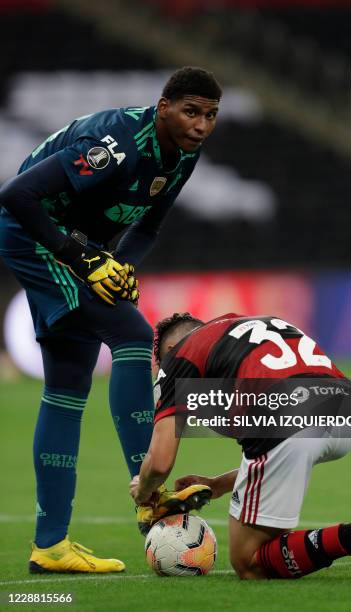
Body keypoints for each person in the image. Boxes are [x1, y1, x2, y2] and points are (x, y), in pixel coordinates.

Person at [0, 67, 221, 573]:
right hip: (35, 236)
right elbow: (15, 197)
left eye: (210, 115)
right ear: (163, 106)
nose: (201, 125)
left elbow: (150, 226)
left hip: (76, 245)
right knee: (134, 334)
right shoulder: (117, 141)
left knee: (67, 384)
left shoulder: (185, 153)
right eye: (191, 111)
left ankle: (50, 546)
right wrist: (83, 259)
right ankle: (148, 492)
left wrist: (118, 265)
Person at [130, 312, 351, 581]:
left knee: (248, 561)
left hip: (286, 417)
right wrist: (219, 484)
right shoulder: (242, 330)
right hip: (346, 413)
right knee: (269, 537)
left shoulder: (180, 356)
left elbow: (159, 463)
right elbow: (275, 455)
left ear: (169, 351)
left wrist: (144, 494)